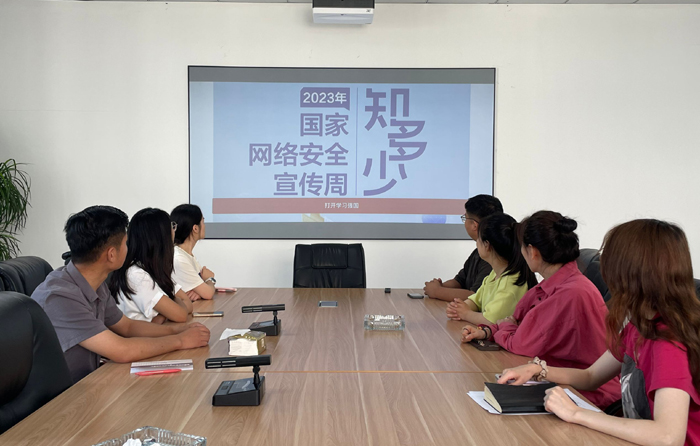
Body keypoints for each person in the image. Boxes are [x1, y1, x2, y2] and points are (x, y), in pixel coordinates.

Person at [496, 219, 700, 446]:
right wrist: (538, 370)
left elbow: (668, 436)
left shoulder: (668, 343)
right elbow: (591, 377)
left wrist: (576, 413)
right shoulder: (639, 327)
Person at [32, 206, 210, 383]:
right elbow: (121, 350)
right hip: (64, 395)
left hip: (90, 380)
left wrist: (176, 330)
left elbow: (127, 327)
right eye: (125, 243)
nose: (129, 247)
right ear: (111, 254)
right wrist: (180, 341)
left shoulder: (95, 283)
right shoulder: (59, 297)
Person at [461, 211, 620, 409]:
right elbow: (515, 321)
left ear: (533, 251)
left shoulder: (571, 292)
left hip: (586, 395)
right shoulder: (551, 285)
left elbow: (520, 344)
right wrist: (487, 331)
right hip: (558, 382)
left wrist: (506, 327)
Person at [446, 212, 537, 324]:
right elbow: (476, 300)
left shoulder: (510, 284)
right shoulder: (495, 273)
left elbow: (491, 321)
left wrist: (466, 313)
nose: (476, 243)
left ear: (487, 245)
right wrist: (459, 308)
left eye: (478, 239)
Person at [110, 208, 194, 323]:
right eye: (171, 226)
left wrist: (164, 313)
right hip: (141, 334)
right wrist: (172, 305)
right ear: (161, 236)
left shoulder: (154, 268)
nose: (174, 231)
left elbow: (188, 303)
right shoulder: (136, 275)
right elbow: (181, 315)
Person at [423, 195, 503, 302]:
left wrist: (437, 291)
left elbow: (476, 296)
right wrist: (439, 286)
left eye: (465, 218)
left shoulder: (494, 255)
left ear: (474, 225)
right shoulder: (478, 252)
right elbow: (460, 281)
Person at [171, 204, 216, 301]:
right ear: (195, 228)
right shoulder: (179, 258)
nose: (204, 226)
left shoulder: (187, 255)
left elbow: (202, 290)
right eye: (203, 221)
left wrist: (200, 291)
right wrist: (210, 279)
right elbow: (208, 293)